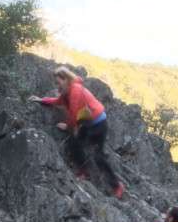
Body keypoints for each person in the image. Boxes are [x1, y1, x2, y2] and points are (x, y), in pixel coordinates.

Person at [29, 66, 125, 199]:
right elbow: (57, 101)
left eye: (58, 82)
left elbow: (74, 115)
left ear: (66, 79)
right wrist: (41, 100)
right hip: (87, 122)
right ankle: (84, 172)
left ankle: (117, 186)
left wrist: (67, 126)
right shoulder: (67, 92)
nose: (57, 86)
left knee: (98, 156)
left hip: (98, 124)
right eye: (56, 83)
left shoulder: (75, 90)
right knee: (74, 143)